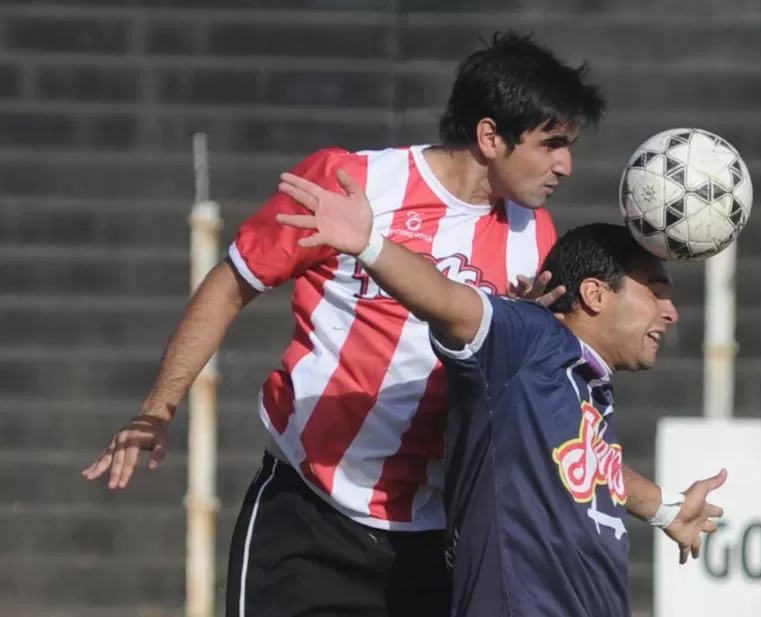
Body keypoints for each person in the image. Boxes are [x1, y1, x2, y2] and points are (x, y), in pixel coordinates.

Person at [82, 30, 718, 617]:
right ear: (492, 136)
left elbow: (550, 422)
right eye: (551, 144)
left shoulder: (536, 239)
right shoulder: (353, 184)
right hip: (309, 514)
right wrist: (157, 409)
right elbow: (230, 284)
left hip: (437, 537)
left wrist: (656, 505)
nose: (566, 167)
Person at [274, 171, 727, 617]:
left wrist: (663, 508)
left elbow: (586, 464)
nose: (671, 313)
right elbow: (447, 300)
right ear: (594, 293)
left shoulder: (583, 385)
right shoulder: (527, 341)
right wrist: (369, 243)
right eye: (657, 293)